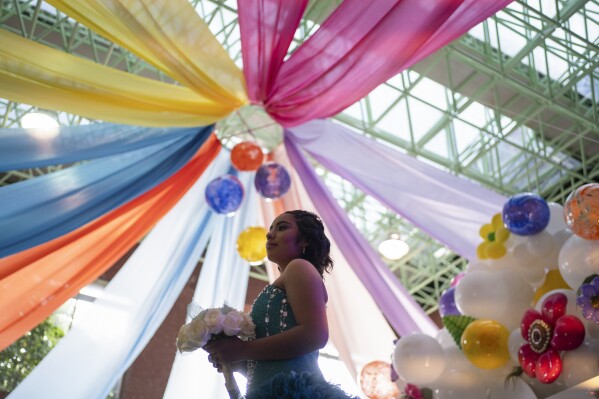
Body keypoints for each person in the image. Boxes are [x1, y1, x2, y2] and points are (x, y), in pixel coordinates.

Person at [203, 210, 358, 398]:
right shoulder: (289, 276)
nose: (269, 234)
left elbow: (315, 335)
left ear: (304, 240)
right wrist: (238, 361)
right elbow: (273, 365)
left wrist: (243, 349)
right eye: (270, 229)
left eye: (282, 228)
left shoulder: (299, 267)